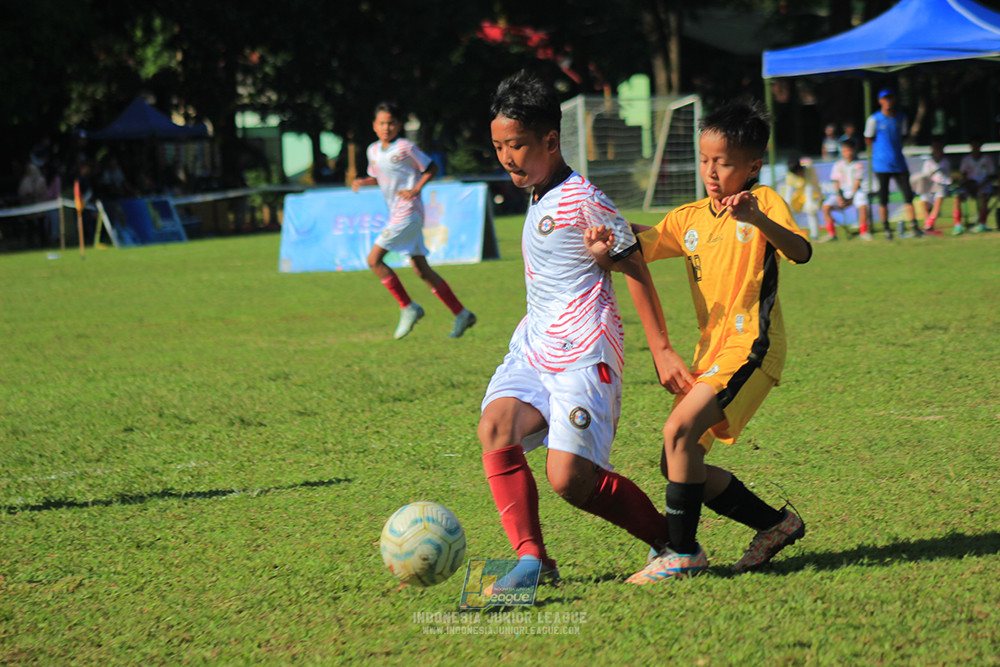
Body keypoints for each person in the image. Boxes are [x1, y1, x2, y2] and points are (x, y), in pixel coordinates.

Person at [478, 70, 690, 590]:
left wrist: (661, 349)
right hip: (535, 345)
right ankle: (533, 562)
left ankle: (674, 545)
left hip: (584, 350)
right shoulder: (537, 189)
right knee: (495, 428)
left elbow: (634, 262)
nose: (507, 158)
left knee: (568, 479)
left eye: (518, 146)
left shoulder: (582, 198)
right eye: (499, 146)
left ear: (551, 141)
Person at [590, 101, 812, 583]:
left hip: (753, 347)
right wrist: (603, 243)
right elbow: (635, 249)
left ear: (752, 165)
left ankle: (682, 553)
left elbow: (801, 250)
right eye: (705, 159)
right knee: (677, 459)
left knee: (679, 436)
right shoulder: (690, 217)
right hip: (710, 355)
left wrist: (758, 221)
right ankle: (775, 525)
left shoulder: (765, 201)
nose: (712, 171)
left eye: (724, 162)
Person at [352, 101, 476, 339]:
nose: (386, 127)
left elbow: (432, 167)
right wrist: (362, 181)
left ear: (398, 125)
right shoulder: (373, 151)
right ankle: (461, 313)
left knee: (374, 259)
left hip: (408, 210)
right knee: (421, 269)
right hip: (397, 210)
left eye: (391, 123)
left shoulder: (405, 147)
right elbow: (378, 177)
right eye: (382, 123)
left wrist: (416, 188)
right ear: (374, 126)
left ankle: (408, 307)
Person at [864, 88, 923, 240]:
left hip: (899, 162)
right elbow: (868, 138)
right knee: (883, 197)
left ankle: (914, 226)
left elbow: (902, 136)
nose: (888, 101)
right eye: (885, 98)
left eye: (890, 98)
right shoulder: (874, 119)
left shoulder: (900, 118)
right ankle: (887, 229)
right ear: (880, 101)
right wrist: (879, 154)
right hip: (882, 165)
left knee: (908, 195)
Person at [820, 138, 871, 241]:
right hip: (841, 193)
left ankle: (863, 232)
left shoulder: (858, 165)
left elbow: (857, 182)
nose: (846, 153)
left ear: (853, 150)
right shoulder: (838, 165)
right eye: (844, 151)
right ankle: (831, 234)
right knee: (825, 207)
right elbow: (836, 182)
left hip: (855, 192)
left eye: (848, 150)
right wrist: (840, 197)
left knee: (863, 206)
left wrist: (851, 197)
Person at [954, 135, 995, 234]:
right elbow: (963, 175)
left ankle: (982, 224)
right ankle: (958, 225)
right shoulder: (966, 160)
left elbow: (992, 175)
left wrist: (982, 184)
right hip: (970, 185)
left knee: (983, 196)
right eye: (973, 146)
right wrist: (967, 184)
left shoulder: (987, 159)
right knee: (957, 197)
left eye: (977, 145)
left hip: (983, 184)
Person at [909, 137, 951, 236]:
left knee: (939, 196)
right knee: (924, 196)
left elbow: (943, 178)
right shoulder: (928, 162)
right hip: (930, 186)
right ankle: (928, 223)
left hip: (941, 186)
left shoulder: (945, 162)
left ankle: (929, 223)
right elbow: (926, 177)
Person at [782, 156, 820, 240]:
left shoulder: (809, 170)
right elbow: (789, 192)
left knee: (810, 209)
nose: (799, 174)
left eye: (799, 171)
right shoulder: (790, 176)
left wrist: (810, 204)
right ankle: (792, 234)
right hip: (799, 197)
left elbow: (809, 189)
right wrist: (786, 206)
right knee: (788, 212)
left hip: (812, 194)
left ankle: (815, 235)